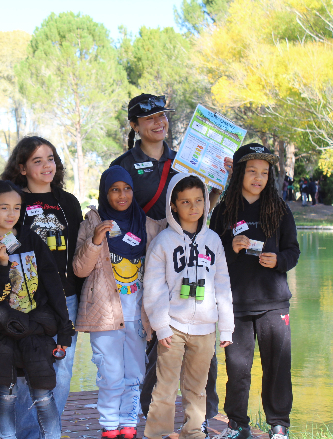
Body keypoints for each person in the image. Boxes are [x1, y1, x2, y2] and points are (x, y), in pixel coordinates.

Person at [111, 94, 230, 426]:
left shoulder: (186, 160)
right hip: (145, 263)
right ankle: (152, 417)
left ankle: (202, 419)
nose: (158, 122)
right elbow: (115, 214)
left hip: (189, 260)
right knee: (155, 339)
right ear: (134, 125)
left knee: (201, 334)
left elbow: (204, 204)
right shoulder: (122, 165)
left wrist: (221, 179)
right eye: (148, 118)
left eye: (162, 115)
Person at [0, 180, 75, 439]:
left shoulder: (30, 239)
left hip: (36, 326)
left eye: (16, 207)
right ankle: (8, 436)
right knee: (6, 391)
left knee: (43, 391)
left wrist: (64, 329)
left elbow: (51, 283)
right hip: (3, 330)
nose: (11, 213)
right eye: (4, 207)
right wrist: (2, 263)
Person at [210, 143, 300, 439]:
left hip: (275, 302)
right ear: (238, 174)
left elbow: (293, 250)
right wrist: (230, 247)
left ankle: (278, 425)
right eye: (251, 171)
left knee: (277, 367)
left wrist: (280, 261)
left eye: (264, 172)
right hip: (235, 304)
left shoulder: (280, 208)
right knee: (237, 368)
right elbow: (210, 254)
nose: (258, 177)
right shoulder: (224, 210)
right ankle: (237, 423)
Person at [72, 166, 166, 439]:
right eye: (114, 189)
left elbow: (180, 222)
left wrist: (213, 193)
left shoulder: (146, 224)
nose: (121, 195)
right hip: (104, 314)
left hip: (138, 314)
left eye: (126, 189)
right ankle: (109, 426)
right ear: (105, 192)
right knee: (110, 374)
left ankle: (128, 424)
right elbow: (79, 269)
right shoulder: (92, 222)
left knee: (135, 374)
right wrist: (95, 240)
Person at [0, 136, 83, 436]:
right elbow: (5, 239)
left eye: (50, 158)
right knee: (26, 370)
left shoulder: (68, 202)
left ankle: (48, 433)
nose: (47, 165)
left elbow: (76, 250)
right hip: (26, 302)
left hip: (65, 298)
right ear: (21, 167)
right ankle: (26, 434)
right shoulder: (14, 200)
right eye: (37, 160)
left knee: (62, 368)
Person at [142, 174, 233, 439]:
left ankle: (194, 432)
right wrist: (160, 326)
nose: (193, 208)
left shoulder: (213, 241)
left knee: (197, 388)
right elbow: (154, 288)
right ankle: (158, 433)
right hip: (173, 326)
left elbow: (223, 285)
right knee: (165, 387)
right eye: (185, 202)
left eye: (198, 201)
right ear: (173, 206)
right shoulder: (163, 242)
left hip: (205, 328)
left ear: (205, 203)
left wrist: (226, 327)